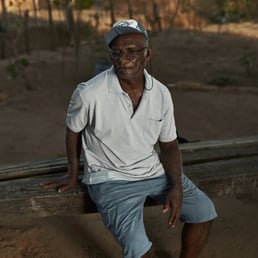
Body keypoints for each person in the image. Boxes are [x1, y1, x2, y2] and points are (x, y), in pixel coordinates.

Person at [43, 19, 217, 258]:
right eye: (117, 52)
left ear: (148, 54)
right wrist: (73, 173)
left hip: (153, 171)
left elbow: (168, 146)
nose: (123, 58)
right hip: (111, 179)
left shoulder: (161, 94)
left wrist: (176, 185)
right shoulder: (89, 93)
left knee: (204, 212)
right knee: (138, 248)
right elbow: (73, 130)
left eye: (132, 51)